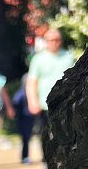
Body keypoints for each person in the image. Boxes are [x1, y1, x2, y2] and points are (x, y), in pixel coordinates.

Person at [25, 28, 75, 161]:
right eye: (51, 40)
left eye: (57, 40)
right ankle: (47, 160)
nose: (54, 42)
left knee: (65, 132)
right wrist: (32, 101)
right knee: (46, 133)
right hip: (45, 103)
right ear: (46, 41)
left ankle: (63, 159)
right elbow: (31, 82)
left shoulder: (68, 56)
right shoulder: (38, 59)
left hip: (64, 103)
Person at [12, 74, 36, 164]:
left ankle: (25, 156)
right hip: (23, 119)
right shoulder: (21, 93)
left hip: (30, 119)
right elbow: (15, 104)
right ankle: (25, 157)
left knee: (27, 138)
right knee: (25, 138)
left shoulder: (32, 92)